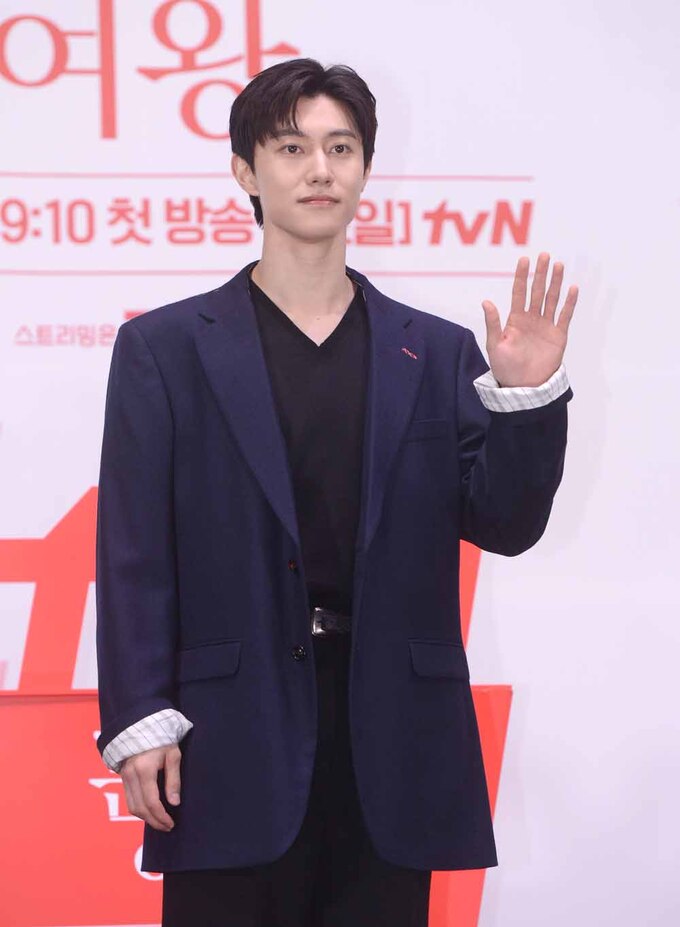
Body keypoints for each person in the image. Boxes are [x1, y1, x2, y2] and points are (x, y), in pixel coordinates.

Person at [95, 57, 578, 927]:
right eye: (291, 147)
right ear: (246, 171)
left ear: (364, 169)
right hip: (227, 733)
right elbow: (133, 552)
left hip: (390, 735)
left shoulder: (435, 353)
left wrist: (526, 398)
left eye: (340, 147)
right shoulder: (166, 350)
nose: (319, 168)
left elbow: (505, 522)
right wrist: (140, 716)